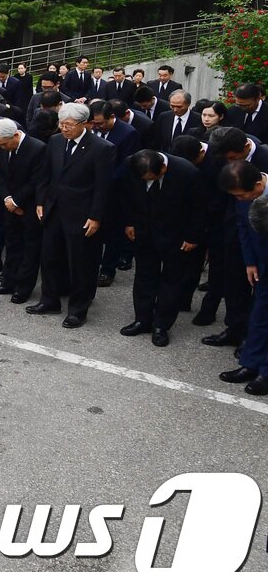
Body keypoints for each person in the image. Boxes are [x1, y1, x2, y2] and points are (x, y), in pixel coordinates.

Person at [27, 103, 114, 328]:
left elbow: (103, 187)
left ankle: (77, 309)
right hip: (53, 209)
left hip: (82, 213)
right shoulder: (55, 142)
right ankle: (49, 300)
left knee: (81, 263)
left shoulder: (101, 148)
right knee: (49, 257)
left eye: (69, 125)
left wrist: (96, 216)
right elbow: (45, 174)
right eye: (62, 124)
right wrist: (40, 202)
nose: (64, 129)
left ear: (85, 124)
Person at [120, 149, 205, 347]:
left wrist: (193, 237)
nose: (147, 181)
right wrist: (129, 222)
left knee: (171, 280)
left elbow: (198, 208)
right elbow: (126, 196)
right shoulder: (130, 163)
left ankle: (162, 324)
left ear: (163, 169)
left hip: (175, 234)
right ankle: (142, 319)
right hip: (143, 231)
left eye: (151, 178)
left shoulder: (187, 172)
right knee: (144, 275)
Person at [218, 161, 268, 394]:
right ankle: (250, 363)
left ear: (259, 184)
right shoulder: (243, 195)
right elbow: (243, 227)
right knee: (259, 315)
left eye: (243, 195)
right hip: (260, 263)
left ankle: (265, 373)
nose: (240, 200)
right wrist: (249, 262)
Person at [0, 118, 48, 305]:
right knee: (12, 244)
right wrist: (7, 199)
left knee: (30, 249)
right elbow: (1, 174)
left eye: (5, 144)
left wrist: (17, 201)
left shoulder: (37, 148)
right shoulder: (3, 146)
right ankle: (9, 281)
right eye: (0, 145)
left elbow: (37, 181)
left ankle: (23, 288)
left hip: (29, 207)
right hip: (10, 205)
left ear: (15, 135)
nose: (3, 148)